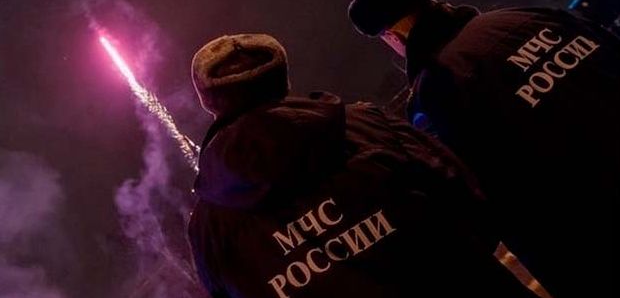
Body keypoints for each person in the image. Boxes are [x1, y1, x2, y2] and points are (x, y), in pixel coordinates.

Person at [186, 33, 535, 298]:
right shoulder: (369, 125)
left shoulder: (210, 224)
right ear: (282, 77)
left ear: (208, 101)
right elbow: (466, 196)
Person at [348, 0, 620, 298]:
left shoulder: (435, 92)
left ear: (391, 36)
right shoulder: (528, 19)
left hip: (589, 245)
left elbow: (470, 201)